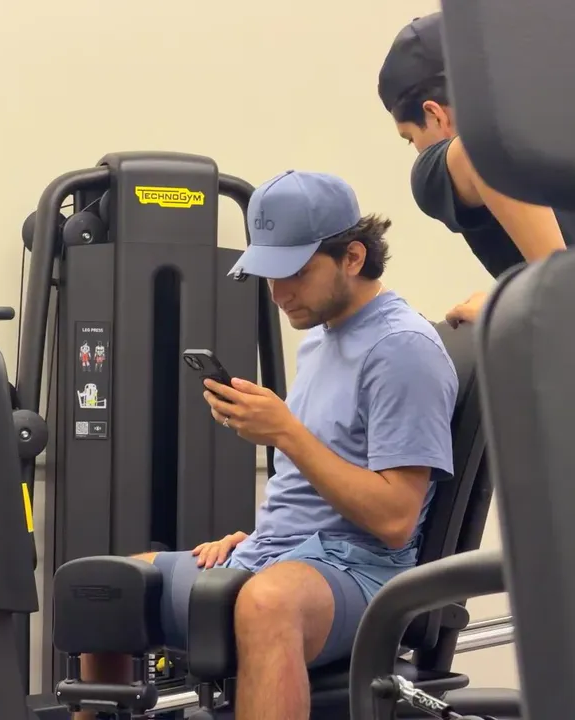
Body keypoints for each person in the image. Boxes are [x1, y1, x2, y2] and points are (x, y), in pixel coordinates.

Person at [78, 171, 458, 720]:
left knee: (267, 602)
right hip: (280, 555)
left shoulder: (402, 349)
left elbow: (396, 519)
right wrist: (264, 538)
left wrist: (285, 433)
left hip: (362, 571)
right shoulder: (321, 339)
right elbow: (314, 484)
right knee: (105, 587)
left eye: (296, 273)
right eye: (270, 276)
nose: (279, 295)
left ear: (353, 257)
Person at [378, 11, 575, 327]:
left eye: (410, 138)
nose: (417, 150)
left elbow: (476, 156)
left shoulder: (433, 170)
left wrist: (550, 294)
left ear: (435, 114)